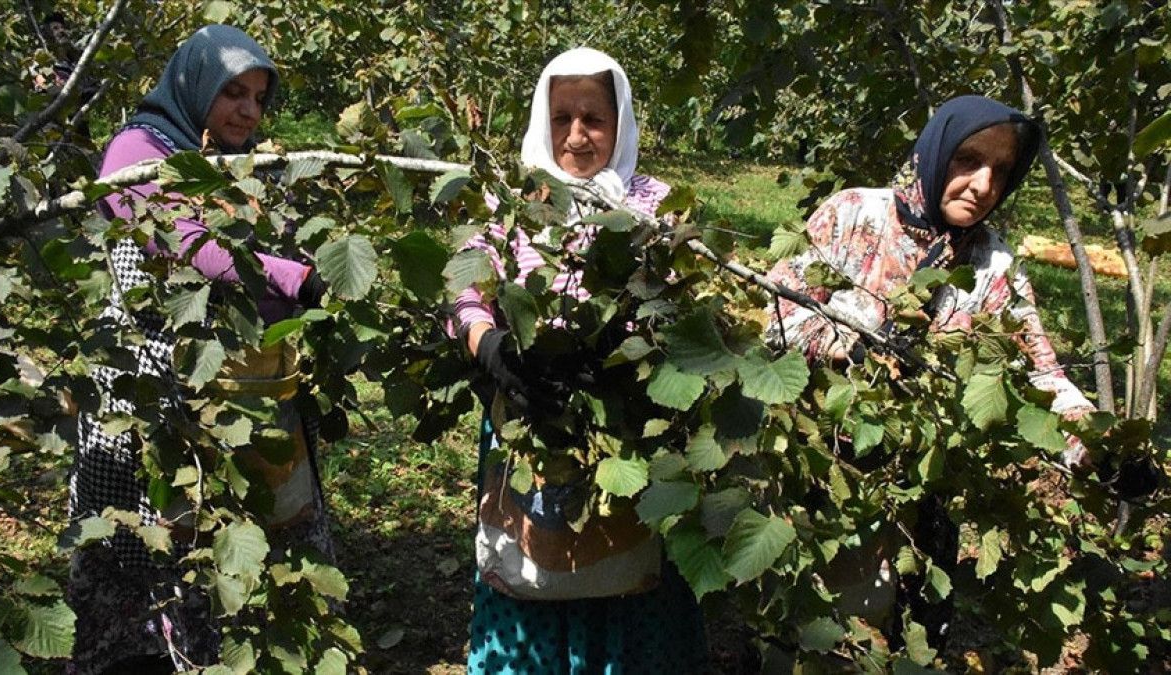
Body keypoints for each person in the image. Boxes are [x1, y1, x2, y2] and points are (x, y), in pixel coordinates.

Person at [761, 95, 1096, 649]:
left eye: (1001, 171)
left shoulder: (993, 266)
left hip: (920, 485)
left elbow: (1040, 375)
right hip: (818, 468)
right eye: (969, 160)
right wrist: (854, 347)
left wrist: (1096, 447)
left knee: (901, 634)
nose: (983, 185)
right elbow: (777, 318)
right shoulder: (854, 215)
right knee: (807, 628)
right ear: (936, 151)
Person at [69, 25, 330, 674]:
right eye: (233, 93)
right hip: (146, 383)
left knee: (231, 538)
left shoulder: (243, 164)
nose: (249, 111)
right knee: (146, 532)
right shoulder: (138, 149)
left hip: (233, 380)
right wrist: (296, 277)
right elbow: (185, 242)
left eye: (259, 98)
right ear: (194, 85)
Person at [452, 47, 709, 674]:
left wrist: (623, 356)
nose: (576, 135)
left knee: (627, 561)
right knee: (533, 561)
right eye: (561, 117)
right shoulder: (513, 204)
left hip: (629, 421)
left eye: (593, 118)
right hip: (530, 411)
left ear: (620, 123)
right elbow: (464, 291)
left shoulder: (656, 206)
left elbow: (691, 299)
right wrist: (493, 348)